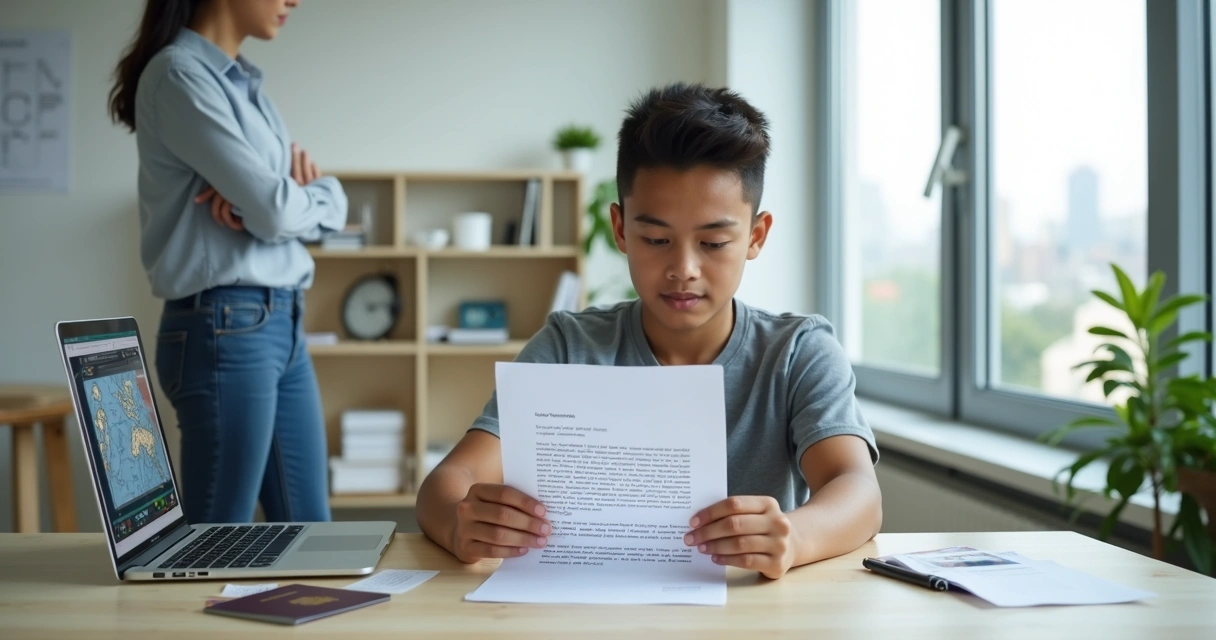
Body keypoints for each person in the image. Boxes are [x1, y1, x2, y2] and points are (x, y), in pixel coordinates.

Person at [417, 83, 881, 579]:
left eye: (714, 242)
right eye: (657, 239)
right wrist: (459, 524)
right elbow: (448, 482)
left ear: (756, 236)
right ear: (619, 229)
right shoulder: (569, 345)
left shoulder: (797, 352)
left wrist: (795, 537)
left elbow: (857, 489)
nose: (683, 268)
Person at [109, 0, 346, 524]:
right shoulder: (178, 75)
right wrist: (301, 199)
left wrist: (288, 200)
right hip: (227, 326)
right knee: (218, 541)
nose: (294, 1)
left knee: (313, 536)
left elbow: (277, 208)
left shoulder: (243, 86)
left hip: (280, 322)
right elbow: (277, 208)